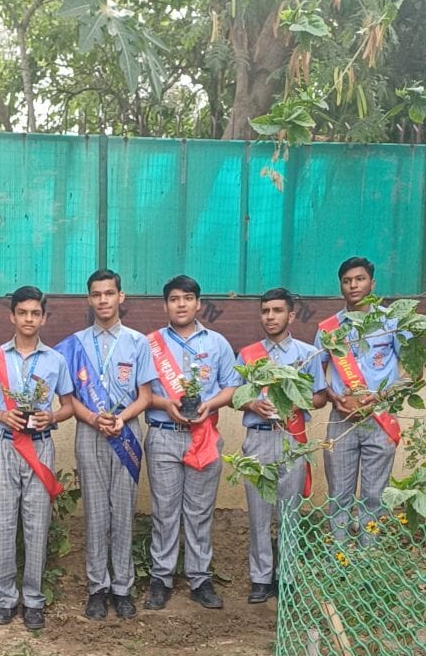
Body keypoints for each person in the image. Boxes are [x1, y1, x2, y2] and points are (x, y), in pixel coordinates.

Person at [56, 268, 154, 620]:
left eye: (109, 293)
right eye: (96, 294)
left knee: (123, 512)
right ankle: (98, 588)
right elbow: (68, 397)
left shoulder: (139, 342)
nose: (103, 300)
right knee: (96, 513)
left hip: (126, 431)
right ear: (89, 299)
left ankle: (123, 588)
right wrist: (92, 418)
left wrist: (121, 418)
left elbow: (145, 395)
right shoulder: (74, 345)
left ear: (120, 296)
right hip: (90, 431)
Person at [0, 286, 73, 630]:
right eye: (22, 313)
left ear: (43, 318)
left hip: (39, 446)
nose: (29, 319)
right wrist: (3, 416)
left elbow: (69, 405)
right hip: (4, 444)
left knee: (36, 524)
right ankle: (5, 599)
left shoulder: (56, 360)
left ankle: (33, 600)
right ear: (12, 316)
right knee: (2, 524)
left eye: (35, 313)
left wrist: (52, 416)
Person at [143, 275, 240, 612]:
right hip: (163, 434)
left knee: (199, 512)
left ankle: (200, 579)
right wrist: (165, 403)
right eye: (174, 299)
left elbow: (232, 387)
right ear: (165, 305)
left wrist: (209, 405)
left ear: (198, 304)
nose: (181, 304)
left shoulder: (217, 343)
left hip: (203, 435)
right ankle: (161, 579)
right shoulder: (150, 344)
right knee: (165, 512)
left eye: (187, 298)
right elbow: (142, 393)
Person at [236, 287, 326, 602]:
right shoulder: (247, 355)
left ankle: (286, 577)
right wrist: (252, 404)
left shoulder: (307, 354)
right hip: (258, 437)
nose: (270, 317)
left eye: (277, 311)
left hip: (291, 437)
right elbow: (236, 396)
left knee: (290, 513)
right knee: (259, 512)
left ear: (291, 315)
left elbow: (320, 396)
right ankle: (260, 578)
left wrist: (293, 403)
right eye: (265, 311)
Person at [314, 256, 404, 543]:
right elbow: (316, 377)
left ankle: (368, 557)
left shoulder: (391, 322)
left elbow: (412, 371)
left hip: (380, 418)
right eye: (347, 281)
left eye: (359, 279)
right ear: (341, 286)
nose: (353, 285)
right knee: (338, 493)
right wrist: (334, 398)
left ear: (372, 283)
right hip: (341, 420)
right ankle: (338, 557)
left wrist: (382, 396)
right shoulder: (329, 328)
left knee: (374, 495)